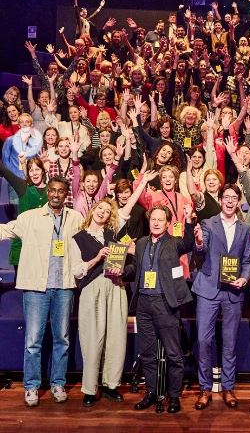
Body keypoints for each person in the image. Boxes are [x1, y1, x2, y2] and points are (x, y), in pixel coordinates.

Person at [0, 177, 84, 407]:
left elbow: (92, 236)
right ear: (48, 192)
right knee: (33, 341)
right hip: (36, 288)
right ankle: (31, 386)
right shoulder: (30, 217)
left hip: (64, 287)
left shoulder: (75, 218)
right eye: (53, 190)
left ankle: (58, 383)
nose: (56, 194)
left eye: (61, 191)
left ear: (66, 194)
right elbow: (5, 230)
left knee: (62, 339)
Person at [71, 174, 150, 407]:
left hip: (115, 286)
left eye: (107, 211)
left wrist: (142, 184)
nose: (103, 213)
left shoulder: (112, 232)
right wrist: (96, 258)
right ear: (93, 210)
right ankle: (89, 388)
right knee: (92, 338)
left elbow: (128, 208)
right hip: (92, 288)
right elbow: (77, 271)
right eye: (100, 209)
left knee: (116, 337)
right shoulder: (78, 237)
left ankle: (110, 385)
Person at [126, 203, 198, 414]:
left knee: (174, 354)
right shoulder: (140, 243)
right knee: (147, 353)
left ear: (167, 224)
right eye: (153, 219)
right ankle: (151, 392)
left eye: (160, 220)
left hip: (165, 303)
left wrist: (189, 221)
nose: (156, 223)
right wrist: (119, 270)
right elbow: (135, 269)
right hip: (143, 303)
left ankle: (173, 396)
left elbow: (189, 243)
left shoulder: (174, 243)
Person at [192, 184, 250, 410]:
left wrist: (244, 278)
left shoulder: (245, 229)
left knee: (230, 342)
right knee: (203, 340)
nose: (229, 201)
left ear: (238, 201)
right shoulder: (208, 224)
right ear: (220, 200)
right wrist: (199, 241)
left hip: (233, 292)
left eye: (234, 198)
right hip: (208, 289)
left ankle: (228, 387)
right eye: (226, 197)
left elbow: (247, 260)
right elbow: (200, 250)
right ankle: (205, 388)